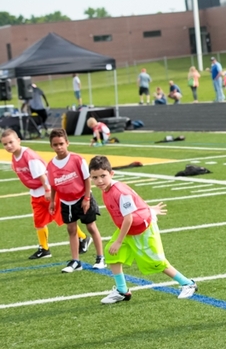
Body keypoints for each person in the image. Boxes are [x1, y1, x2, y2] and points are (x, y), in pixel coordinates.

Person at [89, 155, 197, 304]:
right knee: (111, 252)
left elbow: (129, 218)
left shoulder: (119, 191)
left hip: (141, 229)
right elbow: (136, 200)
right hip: (128, 229)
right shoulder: (107, 189)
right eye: (95, 177)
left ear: (111, 174)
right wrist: (148, 208)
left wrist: (119, 241)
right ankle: (122, 291)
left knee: (156, 262)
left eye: (103, 176)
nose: (99, 181)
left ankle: (188, 283)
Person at [2, 128, 88, 260]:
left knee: (63, 218)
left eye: (11, 142)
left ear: (18, 140)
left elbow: (42, 175)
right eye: (5, 144)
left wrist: (48, 191)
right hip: (36, 193)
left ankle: (83, 238)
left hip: (46, 191)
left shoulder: (28, 156)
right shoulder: (15, 156)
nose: (8, 146)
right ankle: (44, 248)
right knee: (39, 221)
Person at [46, 128, 106, 273]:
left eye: (61, 143)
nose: (59, 147)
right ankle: (76, 261)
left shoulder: (77, 159)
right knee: (71, 229)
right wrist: (53, 201)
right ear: (51, 146)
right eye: (55, 145)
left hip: (82, 198)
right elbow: (53, 184)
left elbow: (87, 179)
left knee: (91, 227)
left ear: (67, 142)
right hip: (66, 202)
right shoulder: (51, 165)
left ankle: (100, 258)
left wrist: (86, 198)